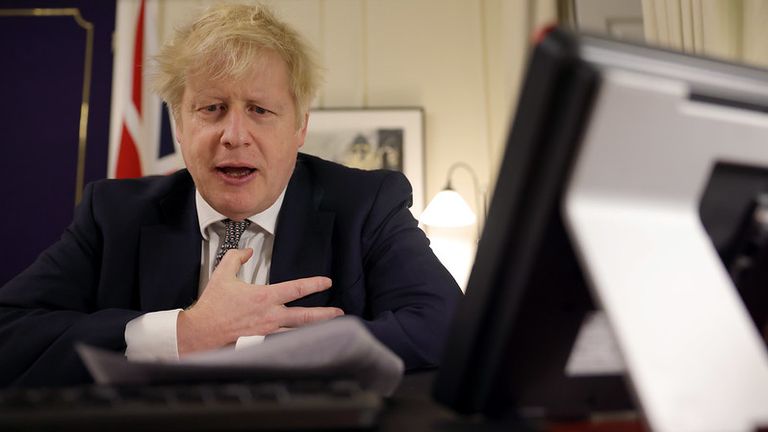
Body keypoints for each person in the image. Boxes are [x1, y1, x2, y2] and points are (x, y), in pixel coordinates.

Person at [0, 3, 461, 387]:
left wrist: (257, 351)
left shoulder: (367, 203)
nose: (234, 135)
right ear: (179, 124)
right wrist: (182, 334)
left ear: (299, 125)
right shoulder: (113, 213)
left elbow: (446, 328)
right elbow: (10, 334)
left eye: (260, 110)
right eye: (212, 109)